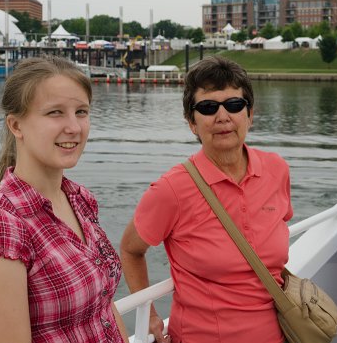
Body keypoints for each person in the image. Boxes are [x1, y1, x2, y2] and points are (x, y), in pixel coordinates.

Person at [120, 56, 293, 343]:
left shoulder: (276, 170)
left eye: (235, 105)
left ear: (250, 114)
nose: (223, 117)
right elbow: (130, 249)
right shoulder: (172, 190)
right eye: (208, 107)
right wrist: (148, 312)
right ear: (192, 123)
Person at [0, 56, 128, 343]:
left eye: (81, 112)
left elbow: (103, 306)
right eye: (55, 113)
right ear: (16, 125)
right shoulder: (3, 227)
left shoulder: (80, 200)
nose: (74, 127)